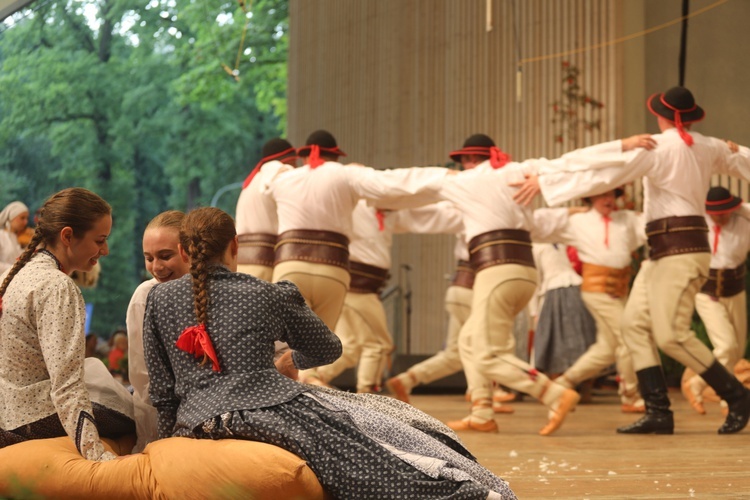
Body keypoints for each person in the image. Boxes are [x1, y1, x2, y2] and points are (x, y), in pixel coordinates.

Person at [143, 207, 515, 499]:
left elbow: (162, 392)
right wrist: (287, 361)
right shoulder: (268, 293)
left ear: (182, 250)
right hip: (271, 409)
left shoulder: (157, 299)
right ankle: (474, 492)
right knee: (379, 457)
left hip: (195, 422)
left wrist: (167, 447)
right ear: (235, 245)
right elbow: (328, 348)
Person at [514, 86, 750, 434]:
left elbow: (604, 173)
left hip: (680, 251)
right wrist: (736, 148)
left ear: (660, 115)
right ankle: (658, 410)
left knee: (671, 335)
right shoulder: (709, 145)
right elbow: (741, 159)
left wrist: (546, 178)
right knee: (633, 326)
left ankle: (737, 395)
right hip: (664, 252)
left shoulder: (656, 147)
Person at [429, 134, 580, 435]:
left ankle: (554, 393)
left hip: (497, 272)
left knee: (487, 351)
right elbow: (566, 166)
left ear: (472, 161)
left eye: (465, 161)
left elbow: (414, 191)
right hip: (520, 272)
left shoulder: (471, 186)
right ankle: (482, 412)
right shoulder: (512, 177)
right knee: (470, 341)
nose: (463, 167)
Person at [268, 129, 451, 331]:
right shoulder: (346, 174)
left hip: (290, 267)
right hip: (332, 271)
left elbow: (265, 173)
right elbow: (391, 183)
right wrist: (445, 177)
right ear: (336, 157)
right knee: (317, 349)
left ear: (303, 157)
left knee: (283, 346)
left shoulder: (281, 179)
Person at [0, 188, 135, 461]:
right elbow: (67, 387)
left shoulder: (13, 275)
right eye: (100, 240)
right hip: (32, 420)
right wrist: (95, 455)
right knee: (138, 416)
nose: (105, 250)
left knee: (96, 371)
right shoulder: (57, 287)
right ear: (68, 236)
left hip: (7, 415)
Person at [306, 199, 464, 391]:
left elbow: (419, 212)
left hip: (356, 287)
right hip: (358, 287)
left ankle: (316, 379)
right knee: (379, 345)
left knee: (351, 345)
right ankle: (366, 396)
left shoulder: (383, 214)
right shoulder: (355, 207)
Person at [549, 189, 648, 413]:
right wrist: (571, 210)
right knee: (628, 338)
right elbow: (544, 222)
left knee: (607, 348)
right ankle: (630, 395)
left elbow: (651, 221)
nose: (608, 199)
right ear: (590, 198)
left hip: (620, 289)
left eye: (612, 195)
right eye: (602, 195)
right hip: (596, 289)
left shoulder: (626, 219)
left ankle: (562, 384)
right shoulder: (578, 221)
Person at [126, 210, 191, 452]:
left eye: (165, 256)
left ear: (189, 250)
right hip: (159, 418)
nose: (156, 267)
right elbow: (142, 378)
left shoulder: (215, 289)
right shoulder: (144, 296)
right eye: (149, 258)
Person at [687, 186, 750, 414]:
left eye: (725, 211)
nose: (720, 216)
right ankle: (698, 383)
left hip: (736, 290)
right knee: (725, 345)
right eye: (716, 212)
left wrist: (739, 209)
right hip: (707, 291)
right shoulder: (698, 220)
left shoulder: (743, 220)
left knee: (735, 351)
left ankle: (728, 400)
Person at [530, 242, 597, 379]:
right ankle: (579, 386)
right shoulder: (552, 244)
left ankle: (565, 386)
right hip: (572, 289)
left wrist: (534, 311)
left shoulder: (542, 245)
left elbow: (535, 281)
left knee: (557, 340)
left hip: (559, 291)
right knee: (580, 338)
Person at [235, 138, 297, 281]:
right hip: (266, 265)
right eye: (295, 163)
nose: (297, 168)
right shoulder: (280, 171)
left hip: (242, 264)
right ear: (287, 161)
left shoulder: (253, 182)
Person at [0, 201, 29, 273]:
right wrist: (15, 268)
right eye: (22, 218)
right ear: (11, 217)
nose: (25, 222)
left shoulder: (14, 236)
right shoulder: (1, 236)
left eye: (26, 218)